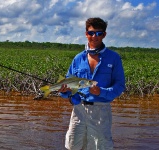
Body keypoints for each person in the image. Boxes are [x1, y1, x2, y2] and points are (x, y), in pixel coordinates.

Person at [58, 17, 125, 150]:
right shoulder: (78, 58)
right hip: (79, 110)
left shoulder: (114, 57)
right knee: (73, 145)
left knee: (100, 146)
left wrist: (102, 92)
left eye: (99, 33)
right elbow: (67, 81)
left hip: (101, 110)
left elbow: (120, 85)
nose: (94, 36)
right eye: (91, 33)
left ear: (104, 35)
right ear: (86, 34)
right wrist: (64, 92)